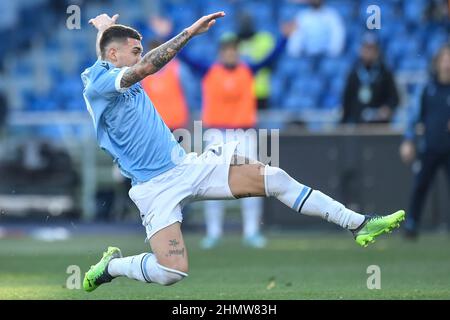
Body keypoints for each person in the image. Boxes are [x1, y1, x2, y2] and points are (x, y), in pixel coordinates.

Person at [81, 12, 405, 292]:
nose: (141, 56)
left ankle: (358, 224)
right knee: (172, 272)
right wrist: (190, 32)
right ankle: (111, 267)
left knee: (274, 177)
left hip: (186, 167)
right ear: (113, 54)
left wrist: (104, 31)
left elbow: (120, 58)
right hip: (153, 188)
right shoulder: (100, 82)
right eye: (135, 51)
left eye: (140, 51)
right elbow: (144, 67)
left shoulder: (113, 71)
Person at [200, 34, 266, 249]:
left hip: (244, 133)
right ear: (221, 52)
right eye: (227, 49)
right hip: (217, 133)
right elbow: (188, 58)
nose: (230, 53)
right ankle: (213, 232)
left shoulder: (247, 70)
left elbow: (271, 59)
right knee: (212, 183)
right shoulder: (211, 71)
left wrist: (284, 38)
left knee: (252, 182)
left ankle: (251, 231)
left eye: (233, 49)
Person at [400, 44, 450, 239]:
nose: (447, 63)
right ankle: (412, 223)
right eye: (444, 59)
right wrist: (408, 141)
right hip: (430, 147)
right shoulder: (427, 89)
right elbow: (413, 118)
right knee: (420, 186)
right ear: (437, 63)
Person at [342, 34, 399, 124]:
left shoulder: (385, 73)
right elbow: (347, 100)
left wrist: (387, 108)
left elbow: (394, 98)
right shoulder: (354, 74)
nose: (368, 52)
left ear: (377, 52)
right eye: (366, 48)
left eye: (371, 49)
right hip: (358, 126)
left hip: (380, 126)